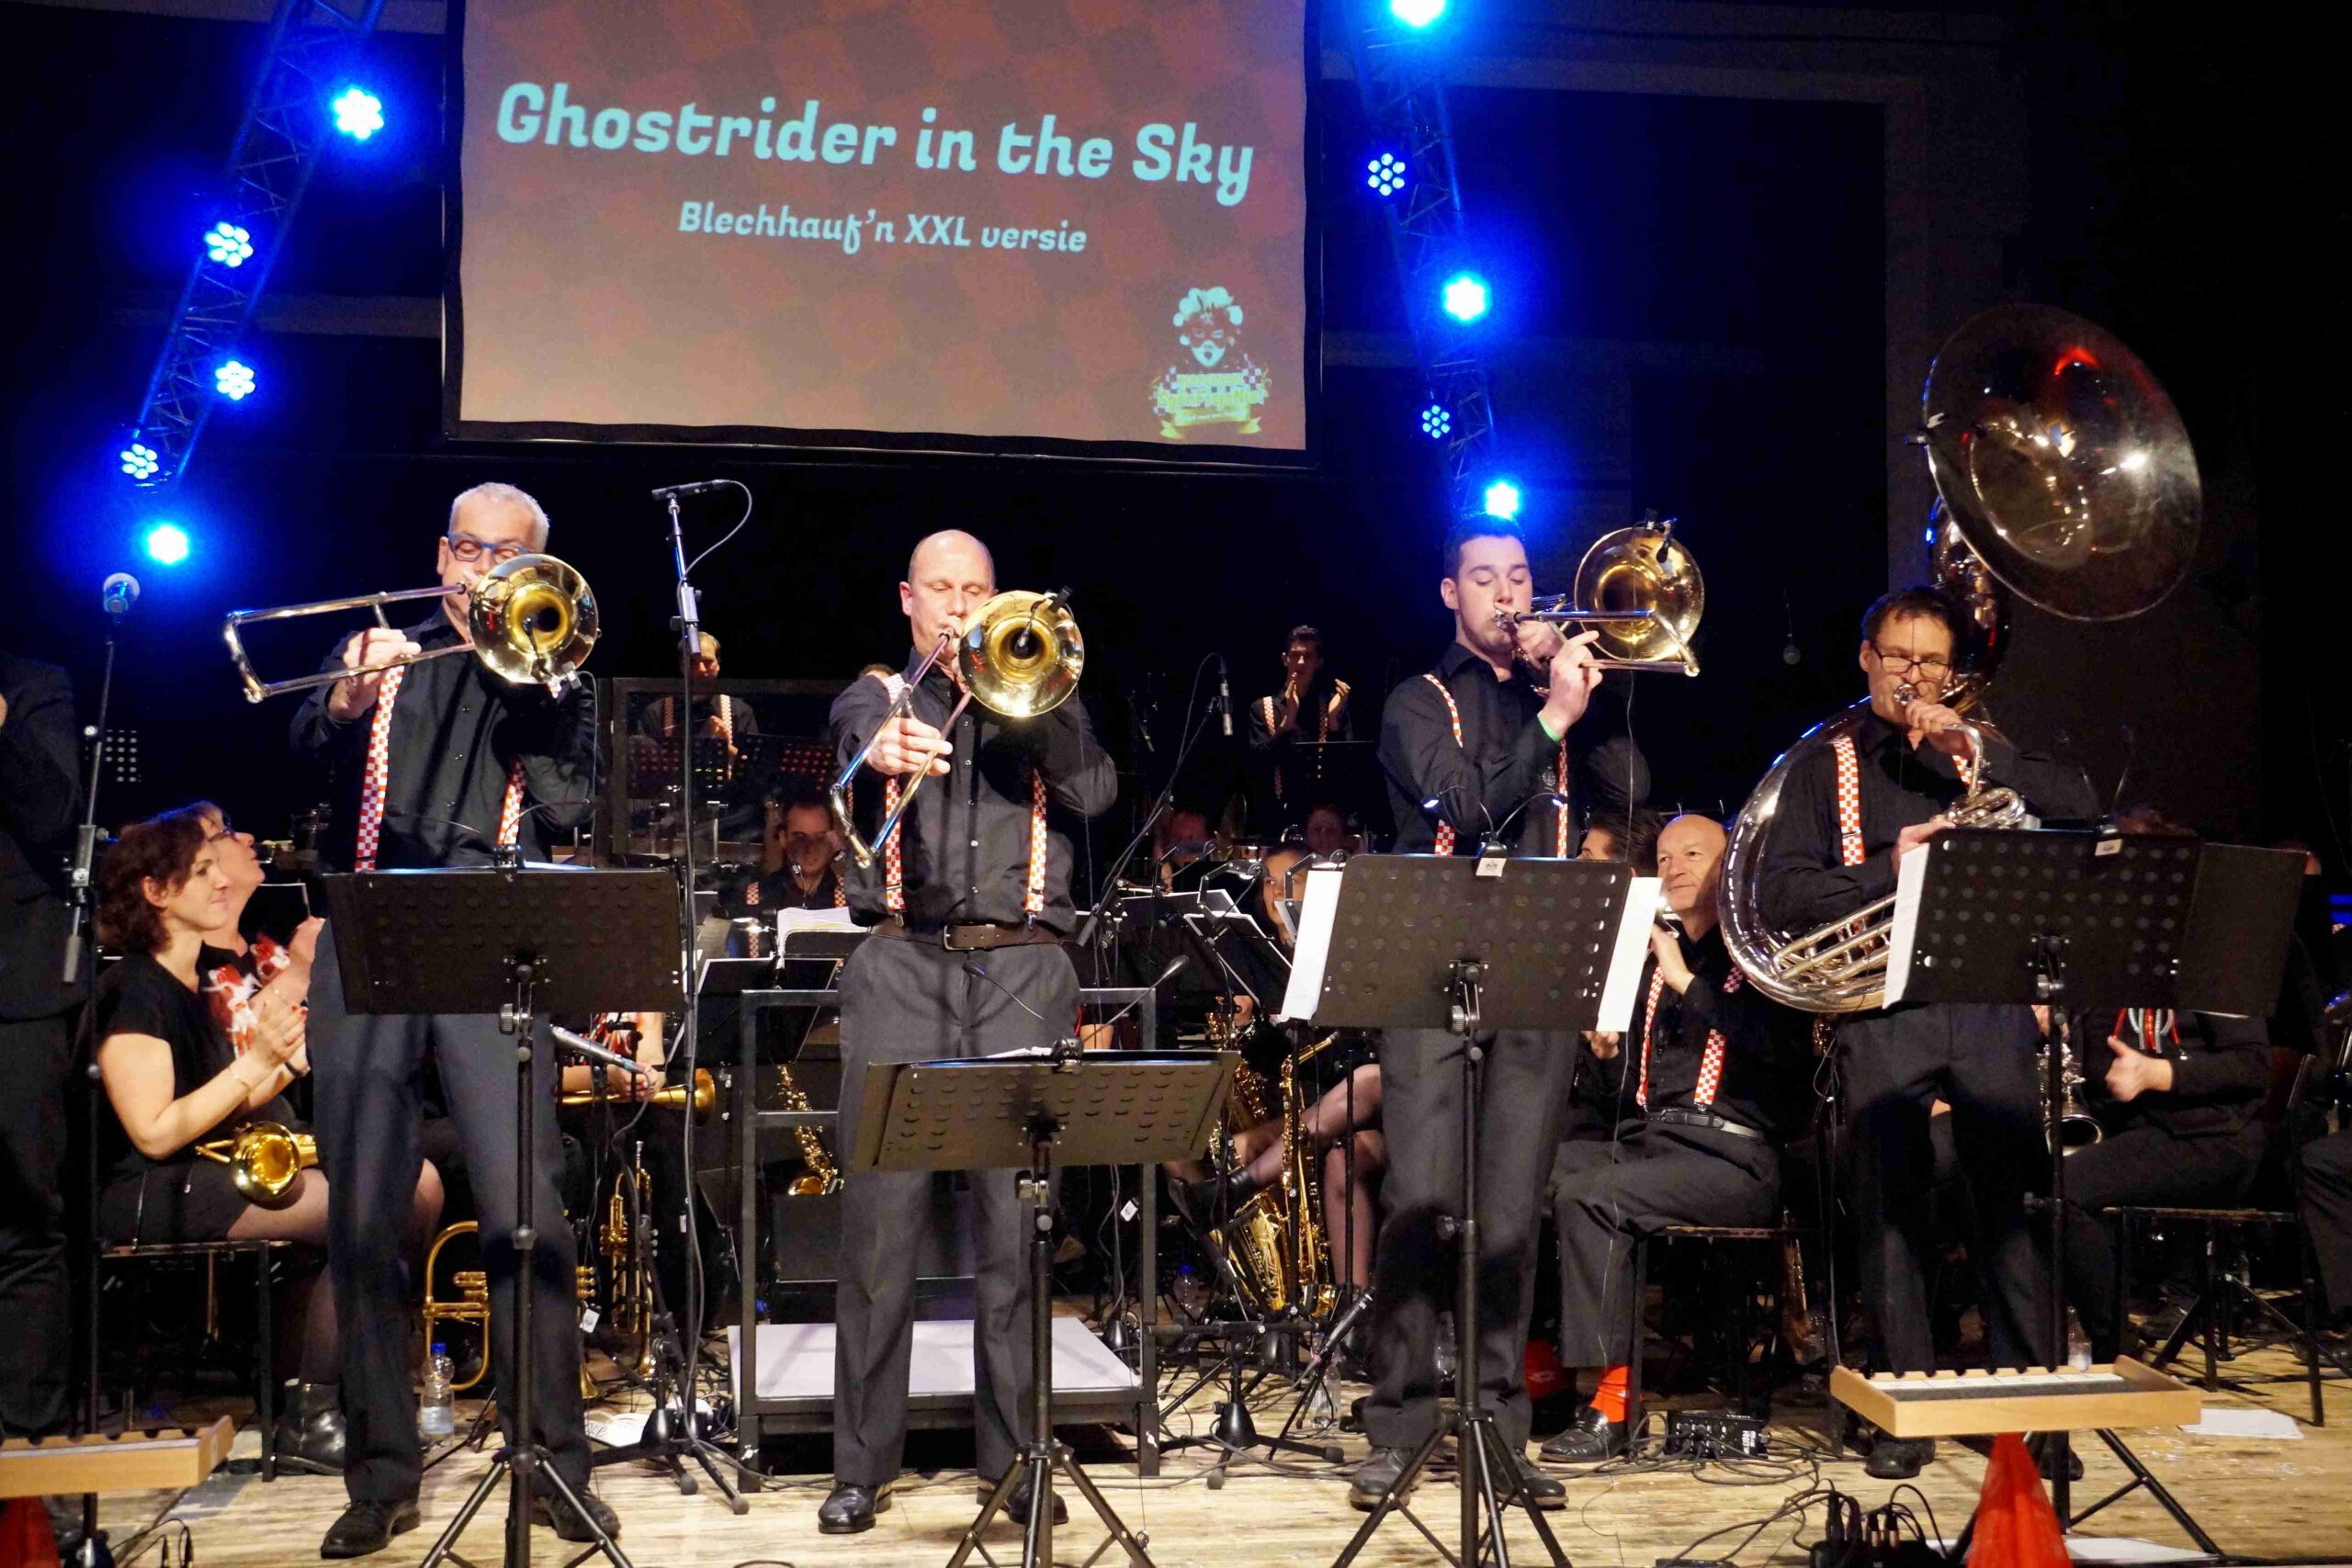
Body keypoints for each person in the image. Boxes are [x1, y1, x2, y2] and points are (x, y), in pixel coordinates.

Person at [290, 481, 613, 1557]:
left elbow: (569, 806)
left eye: (509, 555)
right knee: (363, 1217)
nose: (486, 570)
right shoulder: (379, 651)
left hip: (494, 936)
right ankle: (380, 1475)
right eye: (472, 550)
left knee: (529, 1214)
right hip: (369, 928)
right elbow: (298, 748)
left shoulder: (553, 669)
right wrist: (344, 699)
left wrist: (535, 686)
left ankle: (551, 1465)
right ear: (442, 556)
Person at [1755, 587, 2097, 1479]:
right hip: (1882, 1008)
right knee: (1888, 1217)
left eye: (1932, 661)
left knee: (2013, 1210)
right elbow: (1782, 893)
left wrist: (1980, 750)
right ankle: (1902, 1414)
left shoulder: (1982, 750)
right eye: (1899, 656)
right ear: (1866, 658)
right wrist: (1888, 868)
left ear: (1952, 672)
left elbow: (2081, 805)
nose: (1914, 675)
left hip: (1985, 1001)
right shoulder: (1823, 763)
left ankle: (2033, 1418)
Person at [817, 529, 1116, 1535]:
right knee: (879, 1231)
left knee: (1016, 1231)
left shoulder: (1047, 690)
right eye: (940, 589)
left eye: (974, 590)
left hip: (1023, 970)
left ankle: (1019, 1459)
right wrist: (884, 748)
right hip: (901, 967)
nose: (957, 605)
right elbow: (860, 735)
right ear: (908, 599)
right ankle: (861, 1466)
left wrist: (1032, 704)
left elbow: (1094, 792)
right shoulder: (876, 693)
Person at [1351, 514, 1606, 1514]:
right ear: (1450, 594)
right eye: (1485, 577)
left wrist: (1576, 695)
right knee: (1421, 1197)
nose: (1507, 593)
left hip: (1536, 973)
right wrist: (1552, 722)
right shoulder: (1417, 701)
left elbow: (1627, 788)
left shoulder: (1556, 696)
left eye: (1520, 575)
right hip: (1428, 972)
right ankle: (1400, 1420)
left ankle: (1500, 1427)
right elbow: (1468, 808)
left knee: (1509, 1211)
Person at [89, 814, 443, 1473]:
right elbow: (153, 1131)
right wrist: (254, 1065)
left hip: (208, 1169)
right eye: (202, 872)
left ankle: (358, 1387)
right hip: (149, 1189)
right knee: (360, 1207)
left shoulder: (197, 982)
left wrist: (279, 1059)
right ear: (156, 892)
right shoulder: (134, 987)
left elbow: (223, 1097)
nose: (222, 881)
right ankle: (314, 1411)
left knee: (409, 1180)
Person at [1543, 816, 1811, 1460]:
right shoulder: (1656, 969)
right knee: (1526, 1174)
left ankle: (1614, 1405)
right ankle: (1538, 1373)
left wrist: (1687, 979)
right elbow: (1623, 1101)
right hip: (1655, 1143)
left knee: (1594, 1196)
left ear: (1730, 865)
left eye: (1694, 853)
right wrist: (1606, 1054)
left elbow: (1785, 1053)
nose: (1675, 867)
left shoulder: (1762, 958)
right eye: (1663, 858)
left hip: (1735, 1157)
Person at [0, 650, 79, 1438]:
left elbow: (54, 814)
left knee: (23, 1218)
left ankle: (29, 1452)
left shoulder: (31, 685)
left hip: (13, 989)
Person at [1249, 625, 1351, 834]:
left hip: (1323, 823)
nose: (1301, 662)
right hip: (1275, 821)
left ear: (1319, 662)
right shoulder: (1263, 707)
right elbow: (1256, 767)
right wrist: (1287, 721)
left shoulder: (1331, 705)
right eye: (1295, 656)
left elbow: (1346, 771)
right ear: (1285, 659)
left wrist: (1333, 722)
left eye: (1308, 656)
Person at [745, 784, 846, 911]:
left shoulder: (852, 900)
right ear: (783, 839)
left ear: (833, 839)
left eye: (820, 837)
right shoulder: (754, 899)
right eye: (800, 837)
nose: (810, 848)